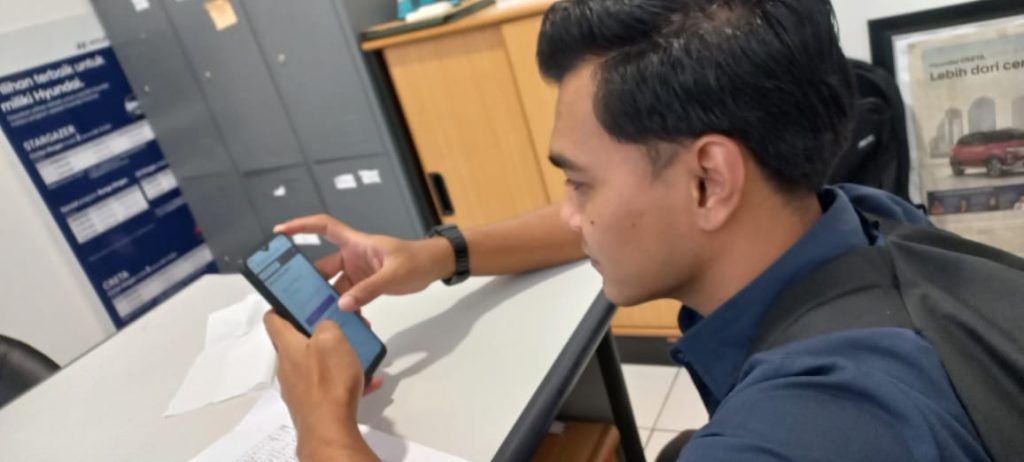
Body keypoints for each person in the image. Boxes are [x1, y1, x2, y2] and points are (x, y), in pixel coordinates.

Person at [263, 0, 991, 460]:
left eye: (580, 183)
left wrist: (323, 428)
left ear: (709, 181)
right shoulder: (858, 214)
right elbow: (607, 220)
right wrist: (435, 254)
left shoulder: (800, 434)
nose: (571, 214)